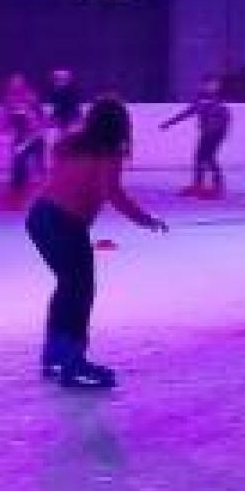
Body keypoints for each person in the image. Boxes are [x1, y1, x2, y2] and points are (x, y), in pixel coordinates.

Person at [27, 97, 169, 389]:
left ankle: (55, 352)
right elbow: (112, 193)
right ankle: (72, 361)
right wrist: (145, 219)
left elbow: (62, 167)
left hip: (39, 216)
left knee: (68, 285)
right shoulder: (108, 151)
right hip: (65, 222)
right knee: (80, 289)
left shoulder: (72, 144)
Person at [161, 75, 232, 199]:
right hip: (206, 132)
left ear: (218, 85)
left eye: (213, 84)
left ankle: (218, 186)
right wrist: (170, 122)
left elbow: (225, 117)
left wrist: (217, 130)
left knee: (208, 157)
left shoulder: (220, 99)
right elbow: (189, 111)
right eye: (207, 84)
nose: (209, 86)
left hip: (216, 133)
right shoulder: (201, 98)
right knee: (199, 157)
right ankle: (198, 184)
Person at [0, 74, 47, 209]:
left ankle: (46, 195)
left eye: (18, 82)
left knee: (39, 164)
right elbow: (4, 118)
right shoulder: (8, 100)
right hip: (21, 136)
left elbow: (39, 116)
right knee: (18, 165)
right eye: (13, 82)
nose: (16, 85)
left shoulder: (31, 97)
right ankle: (17, 195)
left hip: (35, 136)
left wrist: (35, 130)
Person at [44, 68, 85, 134]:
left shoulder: (74, 92)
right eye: (59, 79)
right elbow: (51, 107)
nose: (61, 82)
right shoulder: (52, 93)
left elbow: (77, 107)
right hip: (60, 119)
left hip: (70, 118)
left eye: (64, 79)